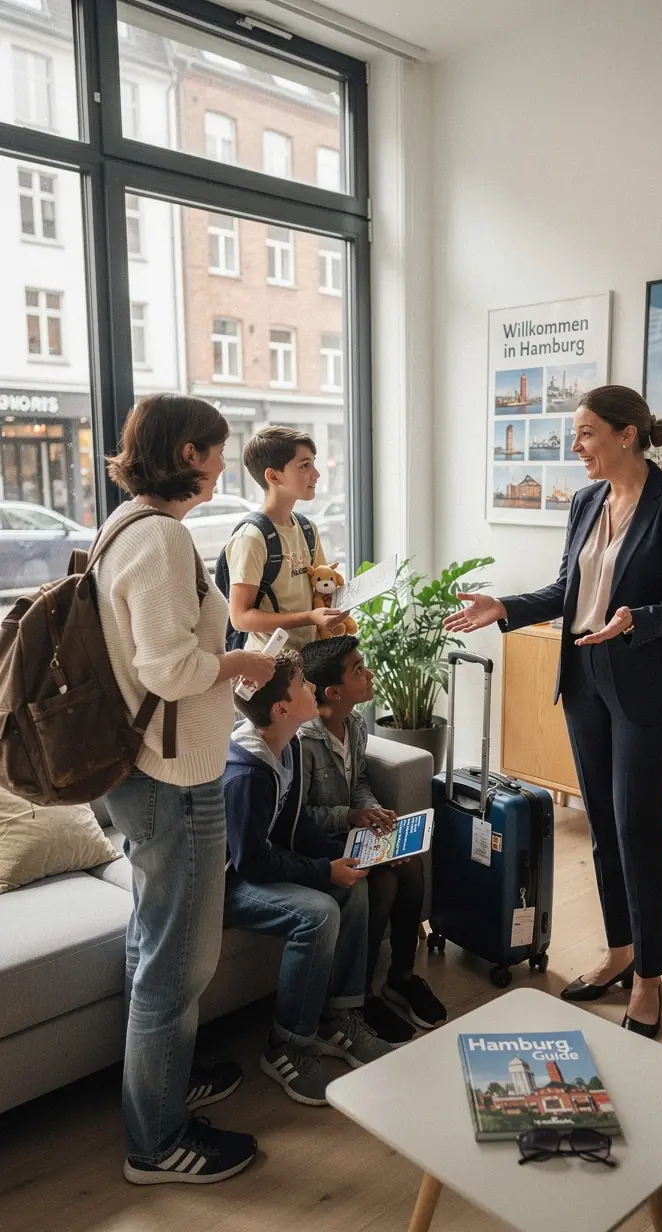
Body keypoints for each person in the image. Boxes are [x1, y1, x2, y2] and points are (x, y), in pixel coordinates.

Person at [446, 385, 662, 1039]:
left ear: (627, 435)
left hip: (651, 684)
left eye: (587, 432)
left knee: (638, 829)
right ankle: (620, 951)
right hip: (587, 679)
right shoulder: (587, 501)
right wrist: (504, 607)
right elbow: (568, 589)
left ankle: (650, 977)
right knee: (601, 826)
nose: (576, 447)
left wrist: (637, 620)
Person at [98, 393, 277, 1185]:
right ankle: (156, 1144)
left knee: (154, 943)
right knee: (178, 963)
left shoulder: (121, 527)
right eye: (213, 450)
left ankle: (159, 1086)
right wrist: (241, 662)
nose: (218, 466)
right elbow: (166, 669)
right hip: (173, 776)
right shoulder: (163, 538)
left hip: (142, 772)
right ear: (186, 455)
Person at [223, 649, 390, 1105]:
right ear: (281, 708)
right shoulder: (246, 773)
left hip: (266, 862)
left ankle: (340, 1018)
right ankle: (287, 1045)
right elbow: (251, 862)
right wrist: (322, 872)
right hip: (232, 883)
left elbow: (297, 829)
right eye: (302, 685)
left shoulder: (290, 744)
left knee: (352, 888)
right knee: (317, 913)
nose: (312, 688)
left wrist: (344, 857)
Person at [300, 636, 448, 1044]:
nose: (369, 674)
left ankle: (401, 977)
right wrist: (350, 816)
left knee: (412, 862)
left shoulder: (356, 724)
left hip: (353, 832)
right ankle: (360, 996)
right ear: (332, 692)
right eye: (358, 670)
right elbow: (296, 817)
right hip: (319, 843)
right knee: (380, 878)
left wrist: (375, 814)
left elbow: (358, 781)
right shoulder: (302, 742)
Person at [223, 426, 346, 651]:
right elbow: (240, 618)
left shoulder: (308, 529)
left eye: (313, 463)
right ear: (273, 476)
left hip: (309, 661)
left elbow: (321, 586)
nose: (316, 474)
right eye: (304, 466)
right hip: (271, 669)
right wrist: (309, 617)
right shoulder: (252, 538)